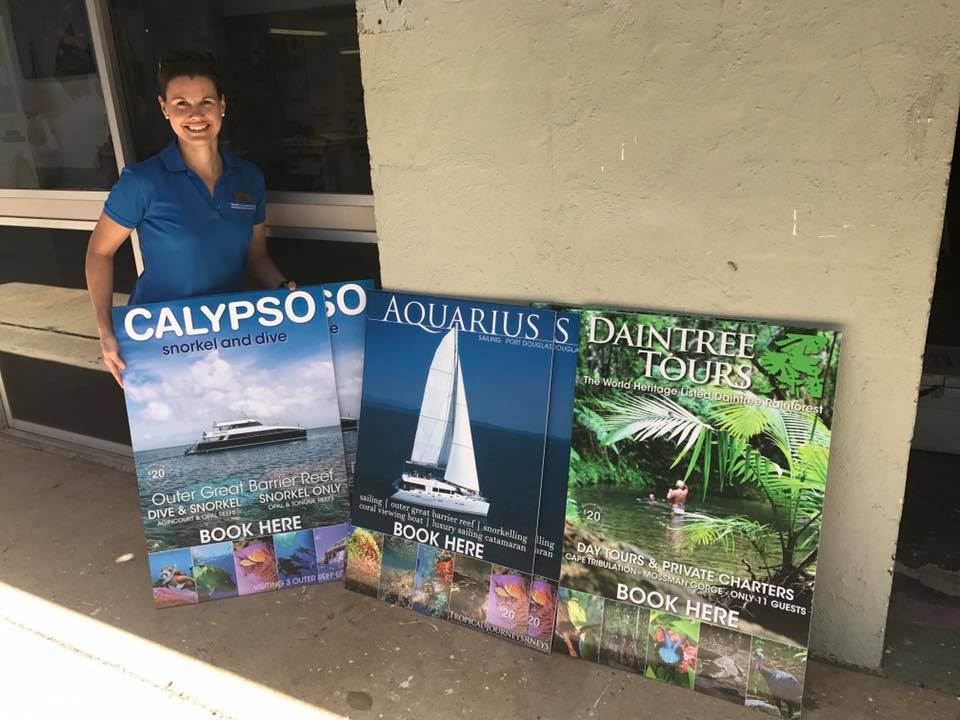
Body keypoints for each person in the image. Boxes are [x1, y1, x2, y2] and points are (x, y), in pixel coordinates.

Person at [85, 51, 294, 387]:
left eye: (206, 102)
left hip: (227, 333)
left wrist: (286, 292)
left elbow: (256, 258)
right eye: (181, 103)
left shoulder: (248, 178)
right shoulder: (142, 181)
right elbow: (99, 252)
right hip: (158, 337)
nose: (195, 115)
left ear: (222, 105)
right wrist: (105, 327)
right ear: (164, 108)